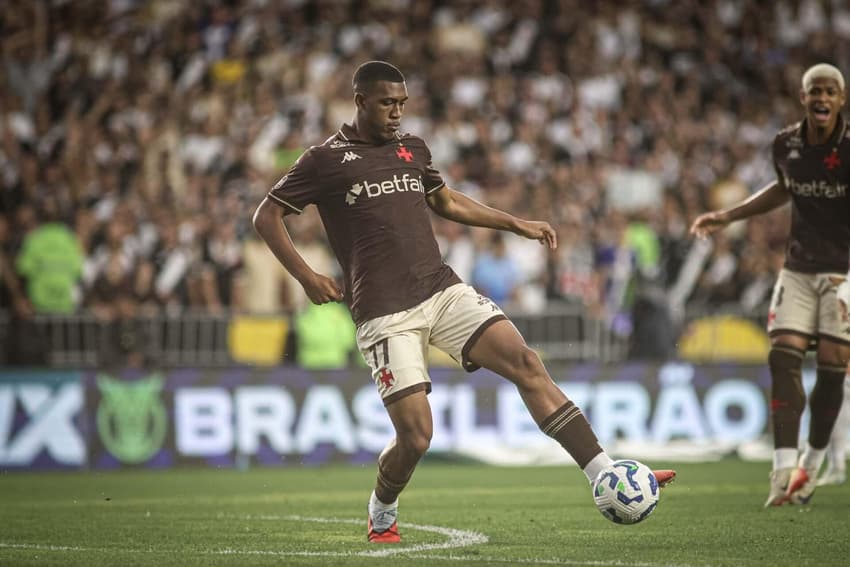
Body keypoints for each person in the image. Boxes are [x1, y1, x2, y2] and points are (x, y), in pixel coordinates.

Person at [252, 61, 675, 543]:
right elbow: (267, 216)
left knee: (526, 363)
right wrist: (306, 277)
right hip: (385, 313)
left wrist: (515, 222)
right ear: (360, 101)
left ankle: (605, 473)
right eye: (388, 103)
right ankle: (382, 507)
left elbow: (447, 202)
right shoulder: (324, 159)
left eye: (402, 103)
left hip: (441, 289)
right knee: (416, 437)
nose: (397, 112)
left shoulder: (411, 149)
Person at [690, 63, 850, 507]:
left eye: (830, 91)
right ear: (803, 97)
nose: (822, 98)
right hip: (798, 271)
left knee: (835, 367)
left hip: (844, 273)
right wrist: (728, 215)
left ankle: (813, 464)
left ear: (841, 99)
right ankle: (782, 469)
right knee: (782, 357)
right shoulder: (786, 144)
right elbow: (784, 188)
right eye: (814, 90)